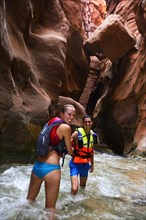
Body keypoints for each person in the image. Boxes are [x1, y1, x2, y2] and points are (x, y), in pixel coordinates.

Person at [26, 104, 76, 218]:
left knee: (28, 202)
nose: (71, 117)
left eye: (73, 115)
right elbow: (69, 150)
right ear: (62, 113)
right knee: (50, 209)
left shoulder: (50, 122)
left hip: (37, 166)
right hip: (51, 170)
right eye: (69, 114)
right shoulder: (66, 128)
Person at [69, 115, 99, 195]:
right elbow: (68, 143)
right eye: (85, 122)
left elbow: (91, 151)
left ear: (92, 123)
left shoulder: (93, 135)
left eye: (89, 122)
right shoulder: (77, 133)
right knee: (75, 189)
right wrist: (71, 152)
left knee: (82, 188)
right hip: (75, 164)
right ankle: (70, 201)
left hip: (85, 165)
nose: (87, 123)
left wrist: (92, 165)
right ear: (83, 123)